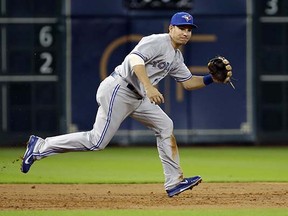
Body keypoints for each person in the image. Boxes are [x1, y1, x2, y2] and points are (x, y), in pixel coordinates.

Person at [21, 12, 232, 197]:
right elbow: (134, 60)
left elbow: (187, 83)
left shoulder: (176, 57)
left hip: (138, 98)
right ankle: (40, 146)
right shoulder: (157, 41)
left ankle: (174, 182)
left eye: (189, 29)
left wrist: (211, 79)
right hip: (119, 89)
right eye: (181, 28)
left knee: (165, 125)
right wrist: (149, 87)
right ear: (171, 28)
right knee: (97, 142)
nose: (185, 32)